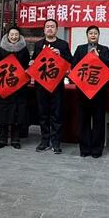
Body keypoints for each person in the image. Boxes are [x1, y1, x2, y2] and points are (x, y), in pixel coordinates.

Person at [30, 19, 72, 154]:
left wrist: (60, 55)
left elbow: (70, 62)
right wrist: (32, 62)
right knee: (43, 113)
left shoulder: (63, 44)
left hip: (57, 84)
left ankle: (56, 142)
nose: (49, 29)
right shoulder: (38, 44)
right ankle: (44, 141)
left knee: (56, 113)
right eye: (47, 26)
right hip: (41, 85)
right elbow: (35, 61)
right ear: (44, 29)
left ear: (56, 29)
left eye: (52, 27)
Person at [71, 25, 109, 158]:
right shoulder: (80, 49)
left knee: (98, 120)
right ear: (87, 35)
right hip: (83, 91)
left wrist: (99, 56)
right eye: (91, 33)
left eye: (95, 33)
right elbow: (73, 66)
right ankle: (84, 149)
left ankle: (96, 150)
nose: (93, 35)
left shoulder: (104, 49)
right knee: (83, 120)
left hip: (99, 92)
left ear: (98, 35)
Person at [0, 26, 31, 150]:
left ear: (19, 36)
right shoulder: (2, 48)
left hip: (19, 86)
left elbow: (27, 65)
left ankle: (15, 138)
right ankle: (2, 137)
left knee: (17, 112)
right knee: (3, 111)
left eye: (16, 34)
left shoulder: (24, 49)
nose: (14, 37)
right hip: (4, 86)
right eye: (12, 34)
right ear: (8, 35)